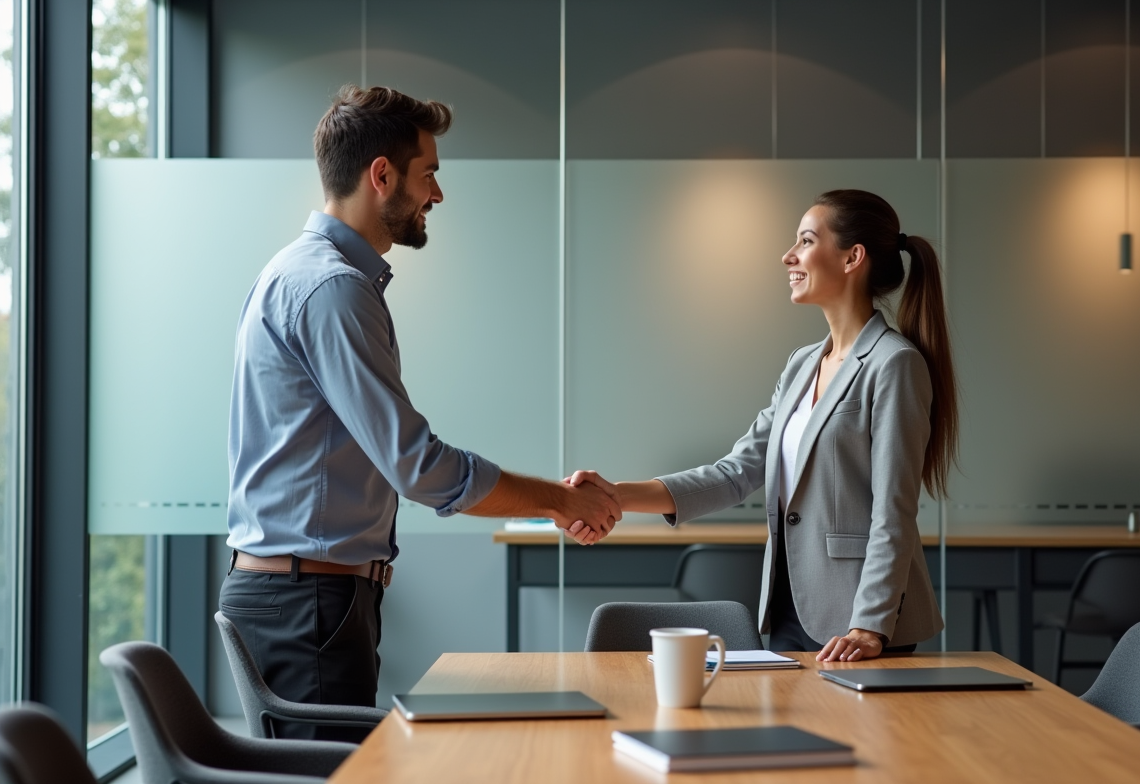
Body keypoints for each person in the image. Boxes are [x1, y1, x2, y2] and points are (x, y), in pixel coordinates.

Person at [220, 85, 618, 740]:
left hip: (307, 600)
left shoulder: (299, 273)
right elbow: (419, 467)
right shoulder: (333, 289)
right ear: (382, 175)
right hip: (309, 607)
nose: (437, 194)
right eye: (428, 173)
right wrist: (556, 501)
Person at [568, 189, 956, 662]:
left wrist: (869, 626)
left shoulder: (893, 363)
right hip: (792, 607)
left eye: (806, 241)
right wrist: (616, 496)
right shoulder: (801, 365)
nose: (788, 256)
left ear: (853, 257)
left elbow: (893, 510)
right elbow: (735, 473)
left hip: (861, 621)